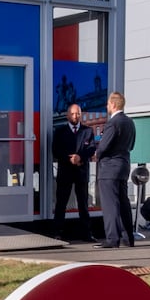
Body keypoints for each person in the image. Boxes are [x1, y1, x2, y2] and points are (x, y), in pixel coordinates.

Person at [94, 91, 136, 248]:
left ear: (113, 104)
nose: (107, 106)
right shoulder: (130, 122)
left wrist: (97, 153)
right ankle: (128, 238)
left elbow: (103, 146)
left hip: (109, 168)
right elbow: (131, 145)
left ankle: (112, 239)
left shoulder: (113, 123)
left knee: (110, 204)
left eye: (108, 104)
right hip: (124, 165)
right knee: (124, 203)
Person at [51, 103, 96, 241]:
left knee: (83, 203)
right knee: (61, 203)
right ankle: (58, 232)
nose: (75, 116)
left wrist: (80, 157)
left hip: (81, 172)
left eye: (78, 114)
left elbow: (91, 149)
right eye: (73, 114)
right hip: (65, 171)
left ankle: (86, 233)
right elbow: (55, 150)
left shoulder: (88, 131)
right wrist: (69, 158)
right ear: (67, 115)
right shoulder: (60, 131)